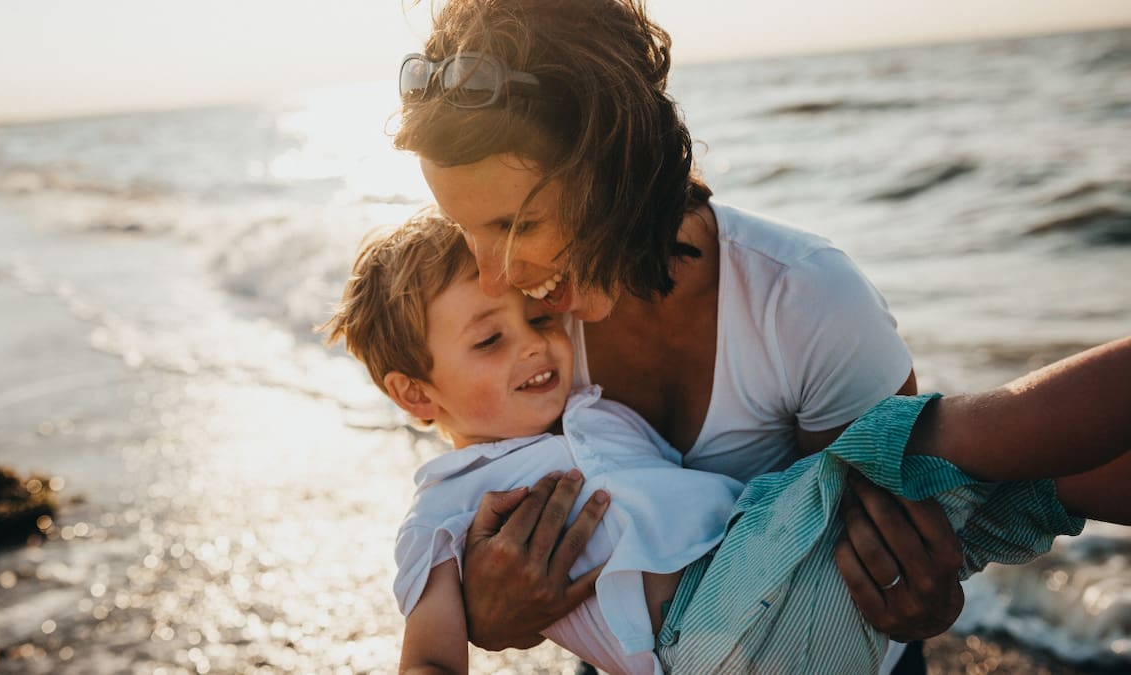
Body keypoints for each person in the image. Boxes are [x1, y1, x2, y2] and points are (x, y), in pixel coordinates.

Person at [393, 1, 974, 669]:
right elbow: (508, 515)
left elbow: (896, 554)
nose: (494, 279)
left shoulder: (806, 302)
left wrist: (924, 591)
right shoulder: (529, 334)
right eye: (465, 228)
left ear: (616, 167)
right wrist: (489, 612)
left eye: (515, 226)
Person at [322, 212, 1130, 674]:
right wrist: (484, 618)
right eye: (488, 341)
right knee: (931, 441)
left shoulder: (594, 412)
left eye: (537, 318)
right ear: (415, 394)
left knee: (1042, 485)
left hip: (789, 599)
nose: (536, 345)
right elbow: (428, 657)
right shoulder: (447, 501)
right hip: (708, 630)